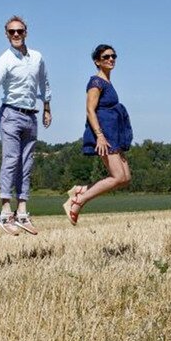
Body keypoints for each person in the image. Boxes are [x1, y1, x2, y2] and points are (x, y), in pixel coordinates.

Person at [0, 15, 51, 236]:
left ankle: (22, 211)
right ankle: (5, 212)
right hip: (10, 114)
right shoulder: (4, 60)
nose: (16, 35)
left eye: (19, 31)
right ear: (6, 35)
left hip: (31, 116)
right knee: (11, 160)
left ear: (26, 32)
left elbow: (44, 84)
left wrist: (47, 108)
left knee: (27, 163)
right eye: (11, 32)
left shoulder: (37, 57)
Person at [62, 45, 133, 225]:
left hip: (114, 133)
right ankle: (79, 201)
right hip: (105, 134)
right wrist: (100, 136)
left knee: (125, 178)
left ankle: (80, 190)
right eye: (106, 56)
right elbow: (90, 110)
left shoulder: (107, 82)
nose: (111, 59)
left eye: (113, 56)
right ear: (97, 61)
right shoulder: (96, 82)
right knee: (117, 176)